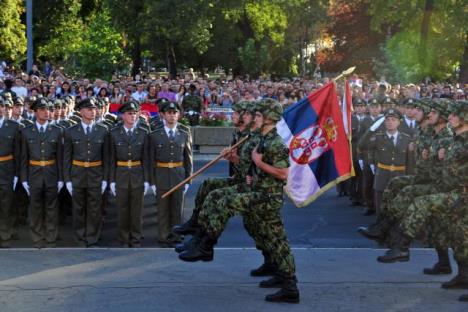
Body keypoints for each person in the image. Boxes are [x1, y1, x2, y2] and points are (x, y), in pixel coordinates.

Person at [179, 99, 300, 304]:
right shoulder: (262, 138)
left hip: (267, 197)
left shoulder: (275, 143)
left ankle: (206, 246)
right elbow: (251, 166)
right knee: (266, 234)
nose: (255, 118)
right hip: (258, 191)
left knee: (227, 204)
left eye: (260, 116)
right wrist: (242, 163)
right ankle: (278, 271)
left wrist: (258, 162)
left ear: (269, 119)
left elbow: (283, 173)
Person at [63, 98, 109, 247]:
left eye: (94, 109)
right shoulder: (71, 131)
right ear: (81, 111)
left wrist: (105, 179)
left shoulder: (103, 130)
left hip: (96, 174)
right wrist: (67, 179)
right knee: (78, 208)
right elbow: (67, 158)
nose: (93, 112)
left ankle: (92, 236)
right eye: (89, 109)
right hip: (78, 173)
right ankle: (79, 236)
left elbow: (106, 157)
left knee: (95, 208)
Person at [20, 98, 64, 248]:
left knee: (52, 207)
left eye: (49, 109)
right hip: (34, 173)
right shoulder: (26, 131)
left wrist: (61, 178)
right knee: (35, 207)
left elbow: (60, 157)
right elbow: (23, 157)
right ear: (36, 111)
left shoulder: (57, 130)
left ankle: (51, 236)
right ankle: (37, 237)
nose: (47, 112)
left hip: (51, 172)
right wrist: (24, 178)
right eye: (43, 109)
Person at [148, 102, 192, 247]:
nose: (172, 115)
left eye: (175, 113)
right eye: (169, 113)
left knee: (177, 209)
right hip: (161, 175)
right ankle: (163, 236)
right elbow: (151, 160)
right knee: (162, 209)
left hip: (178, 175)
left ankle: (176, 235)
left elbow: (188, 159)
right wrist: (152, 181)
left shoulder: (184, 134)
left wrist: (188, 180)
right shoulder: (154, 135)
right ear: (163, 115)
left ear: (178, 115)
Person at [109, 101, 151, 247]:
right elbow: (111, 159)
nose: (133, 116)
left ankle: (136, 237)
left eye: (135, 113)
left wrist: (147, 180)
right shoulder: (114, 133)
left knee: (137, 209)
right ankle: (123, 237)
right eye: (129, 113)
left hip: (138, 173)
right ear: (122, 116)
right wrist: (111, 180)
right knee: (122, 209)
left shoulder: (144, 132)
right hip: (120, 174)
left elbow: (147, 158)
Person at [368, 108, 412, 219]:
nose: (390, 122)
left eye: (393, 120)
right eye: (387, 120)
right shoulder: (378, 137)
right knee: (380, 206)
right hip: (382, 176)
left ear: (399, 122)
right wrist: (373, 128)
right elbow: (362, 145)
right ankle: (379, 227)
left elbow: (410, 162)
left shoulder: (407, 139)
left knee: (398, 207)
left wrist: (409, 179)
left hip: (400, 175)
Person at [0, 97, 21, 247]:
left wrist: (16, 174)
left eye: (7, 107)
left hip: (7, 167)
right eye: (2, 106)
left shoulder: (14, 126)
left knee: (6, 203)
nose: (4, 109)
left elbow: (18, 152)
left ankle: (5, 234)